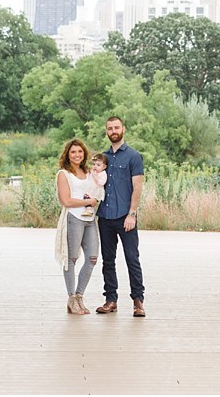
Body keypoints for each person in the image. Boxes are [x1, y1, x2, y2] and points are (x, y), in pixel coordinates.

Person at [96, 116, 146, 317]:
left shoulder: (134, 157)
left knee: (132, 258)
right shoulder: (102, 158)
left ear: (123, 129)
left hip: (126, 217)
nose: (113, 131)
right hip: (105, 217)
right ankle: (110, 300)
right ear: (107, 131)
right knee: (108, 260)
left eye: (116, 127)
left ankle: (138, 301)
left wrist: (132, 214)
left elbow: (138, 187)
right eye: (110, 128)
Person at [53, 138, 102, 315]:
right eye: (73, 152)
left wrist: (96, 198)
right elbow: (65, 200)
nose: (77, 155)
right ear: (67, 154)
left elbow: (97, 189)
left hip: (90, 220)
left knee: (92, 258)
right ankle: (71, 298)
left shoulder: (89, 172)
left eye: (80, 152)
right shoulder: (63, 174)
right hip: (73, 219)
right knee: (71, 259)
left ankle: (79, 296)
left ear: (84, 154)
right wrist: (88, 201)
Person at [82, 153, 108, 218]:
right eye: (94, 164)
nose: (95, 166)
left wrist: (95, 177)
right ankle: (88, 209)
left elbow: (102, 183)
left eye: (98, 165)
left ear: (104, 167)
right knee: (86, 196)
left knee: (92, 199)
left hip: (97, 190)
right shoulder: (93, 171)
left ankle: (89, 211)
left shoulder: (103, 174)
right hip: (91, 188)